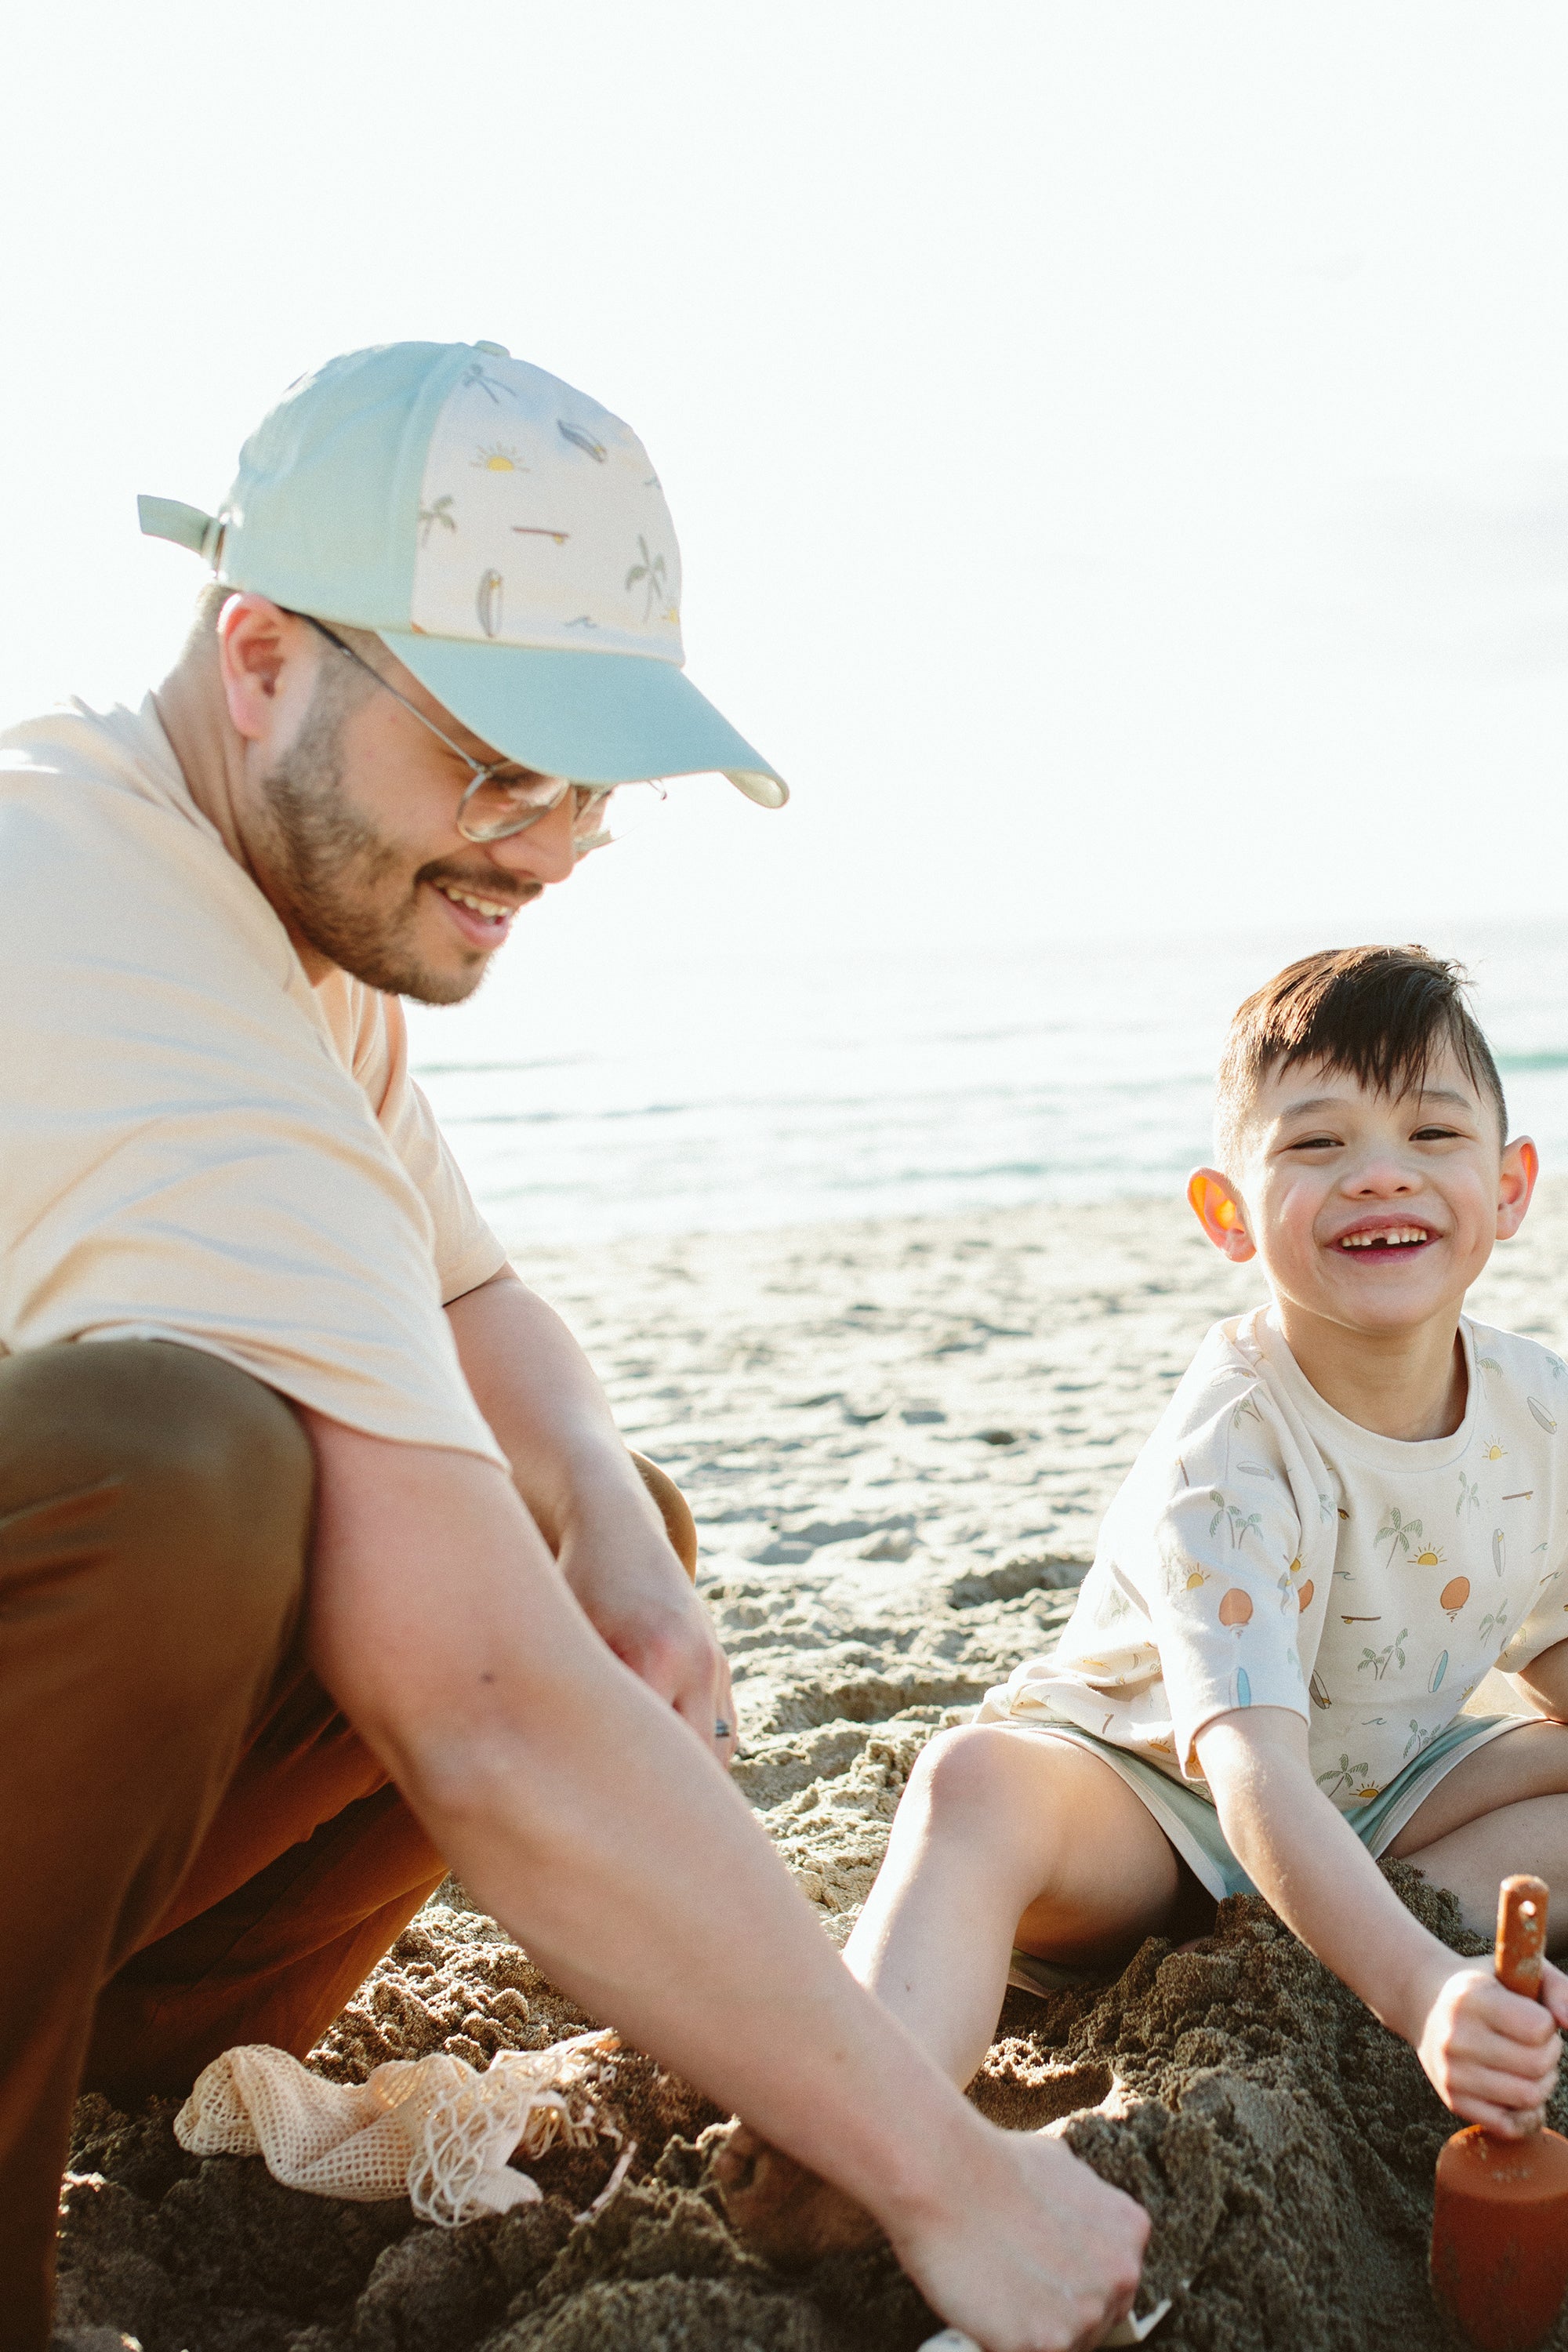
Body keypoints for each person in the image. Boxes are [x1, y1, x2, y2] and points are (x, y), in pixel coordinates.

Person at [0, 339, 1146, 2352]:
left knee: (546, 1525)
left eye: (591, 778)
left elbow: (466, 1297)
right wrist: (944, 2174)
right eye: (493, 759)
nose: (544, 843)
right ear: (261, 657)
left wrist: (616, 1531)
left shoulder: (262, 896)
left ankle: (102, 2059)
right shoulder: (87, 917)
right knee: (184, 1472)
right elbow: (481, 1707)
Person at [721, 943, 1568, 2258]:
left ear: (1508, 1189)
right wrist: (1420, 1998)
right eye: (1318, 1143)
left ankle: (1352, 1924)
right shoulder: (1231, 1440)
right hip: (1152, 1801)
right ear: (1229, 1214)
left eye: (1432, 1130)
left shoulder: (1538, 1409)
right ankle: (864, 2121)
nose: (1382, 1172)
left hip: (1377, 1791)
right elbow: (1248, 1774)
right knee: (975, 1787)